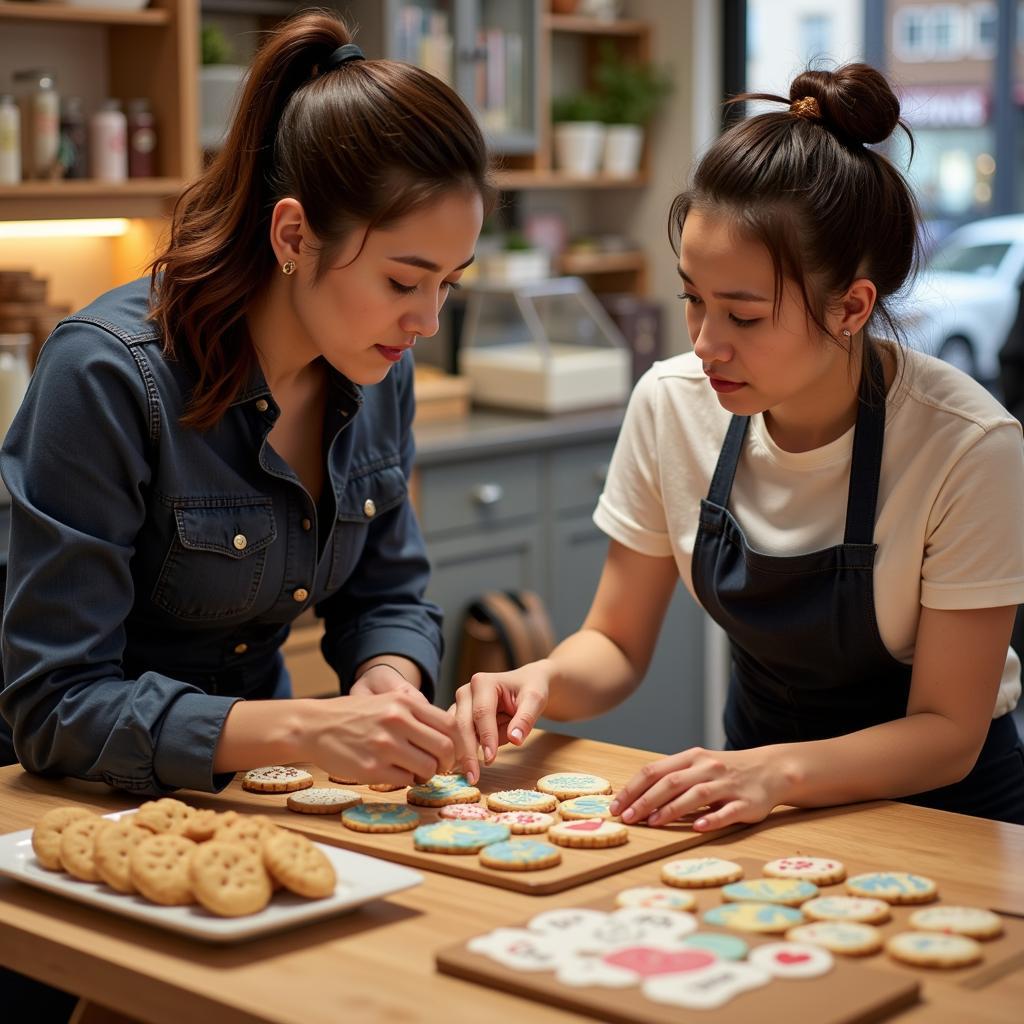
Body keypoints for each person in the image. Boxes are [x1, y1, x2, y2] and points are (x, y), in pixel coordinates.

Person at [452, 63, 1024, 827]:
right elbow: (617, 642)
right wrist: (543, 680)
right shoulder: (670, 403)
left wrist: (772, 776)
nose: (706, 343)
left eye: (744, 317)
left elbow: (949, 732)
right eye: (693, 298)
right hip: (747, 801)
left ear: (852, 306)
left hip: (942, 815)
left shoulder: (967, 446)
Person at [0, 10, 494, 795]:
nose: (427, 322)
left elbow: (388, 594)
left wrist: (386, 678)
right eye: (403, 281)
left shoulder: (375, 366)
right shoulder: (107, 375)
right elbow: (54, 706)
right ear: (294, 237)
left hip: (261, 788)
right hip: (75, 806)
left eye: (450, 282)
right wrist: (305, 728)